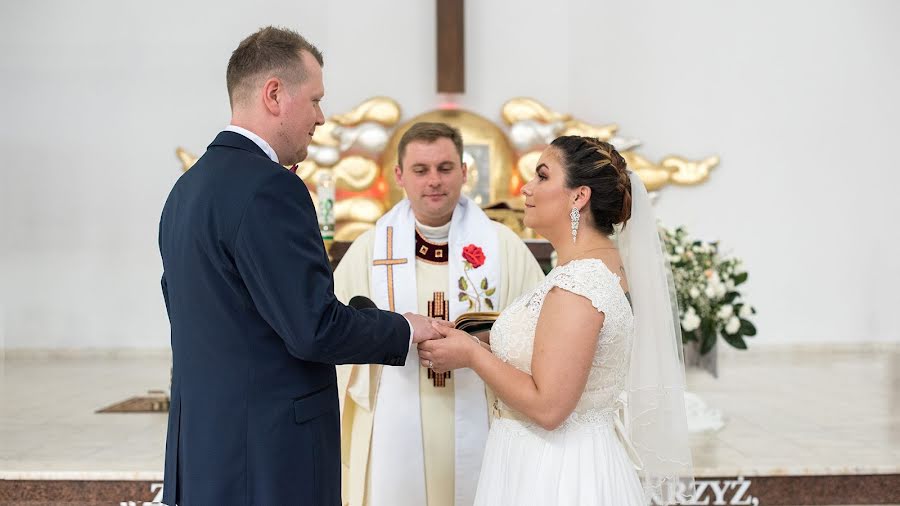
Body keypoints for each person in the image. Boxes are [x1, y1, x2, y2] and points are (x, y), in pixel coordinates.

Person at [158, 27, 443, 506]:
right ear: (274, 94)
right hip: (270, 458)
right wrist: (403, 328)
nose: (320, 117)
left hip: (203, 453)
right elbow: (313, 329)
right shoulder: (271, 188)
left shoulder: (185, 192)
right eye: (314, 100)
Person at [418, 136, 695, 505]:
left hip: (558, 473)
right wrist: (478, 339)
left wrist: (471, 355)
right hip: (552, 458)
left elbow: (549, 407)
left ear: (579, 196)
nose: (526, 188)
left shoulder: (579, 285)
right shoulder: (587, 271)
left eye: (542, 176)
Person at [333, 122, 545, 506]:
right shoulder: (369, 251)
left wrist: (477, 348)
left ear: (465, 172)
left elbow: (539, 336)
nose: (434, 180)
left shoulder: (505, 248)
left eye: (445, 168)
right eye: (420, 169)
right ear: (399, 175)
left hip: (485, 417)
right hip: (391, 427)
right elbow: (335, 337)